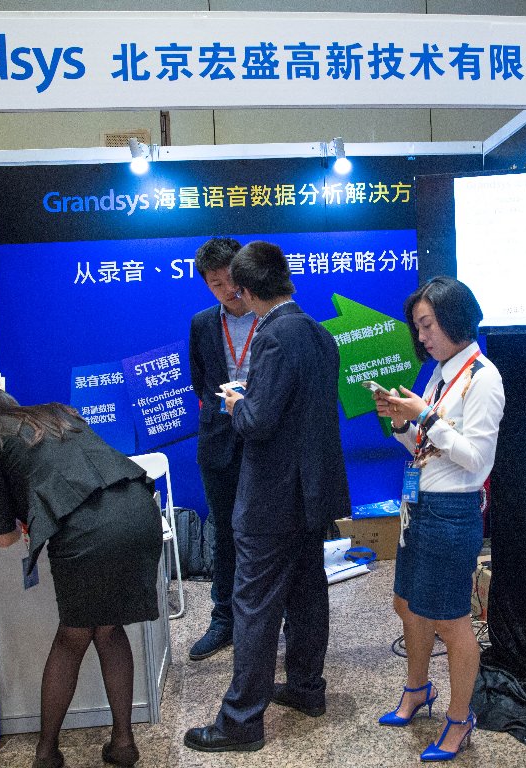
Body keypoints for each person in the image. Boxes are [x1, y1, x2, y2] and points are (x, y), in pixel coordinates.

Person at [183, 241, 350, 753]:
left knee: (253, 604)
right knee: (307, 592)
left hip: (272, 497)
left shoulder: (273, 338)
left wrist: (237, 403)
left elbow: (258, 422)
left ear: (248, 289)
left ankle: (240, 722)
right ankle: (306, 688)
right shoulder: (318, 332)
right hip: (310, 492)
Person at [0, 387, 164, 768]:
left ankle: (46, 753)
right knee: (108, 630)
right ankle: (123, 743)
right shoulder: (55, 414)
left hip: (88, 530)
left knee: (71, 639)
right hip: (139, 509)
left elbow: (4, 539)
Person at [372, 276, 505, 762]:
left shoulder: (483, 377)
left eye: (427, 325)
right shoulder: (441, 373)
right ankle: (417, 689)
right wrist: (403, 422)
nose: (422, 336)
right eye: (418, 326)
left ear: (454, 319)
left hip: (451, 513)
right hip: (419, 507)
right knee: (407, 605)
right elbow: (427, 448)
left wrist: (425, 416)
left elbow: (477, 461)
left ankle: (460, 718)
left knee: (452, 622)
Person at [187, 236, 252, 661]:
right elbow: (201, 382)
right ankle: (223, 619)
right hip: (218, 442)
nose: (228, 290)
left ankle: (278, 615)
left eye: (232, 279)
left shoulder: (271, 317)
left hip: (266, 440)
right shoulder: (202, 324)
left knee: (271, 534)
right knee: (224, 534)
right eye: (216, 284)